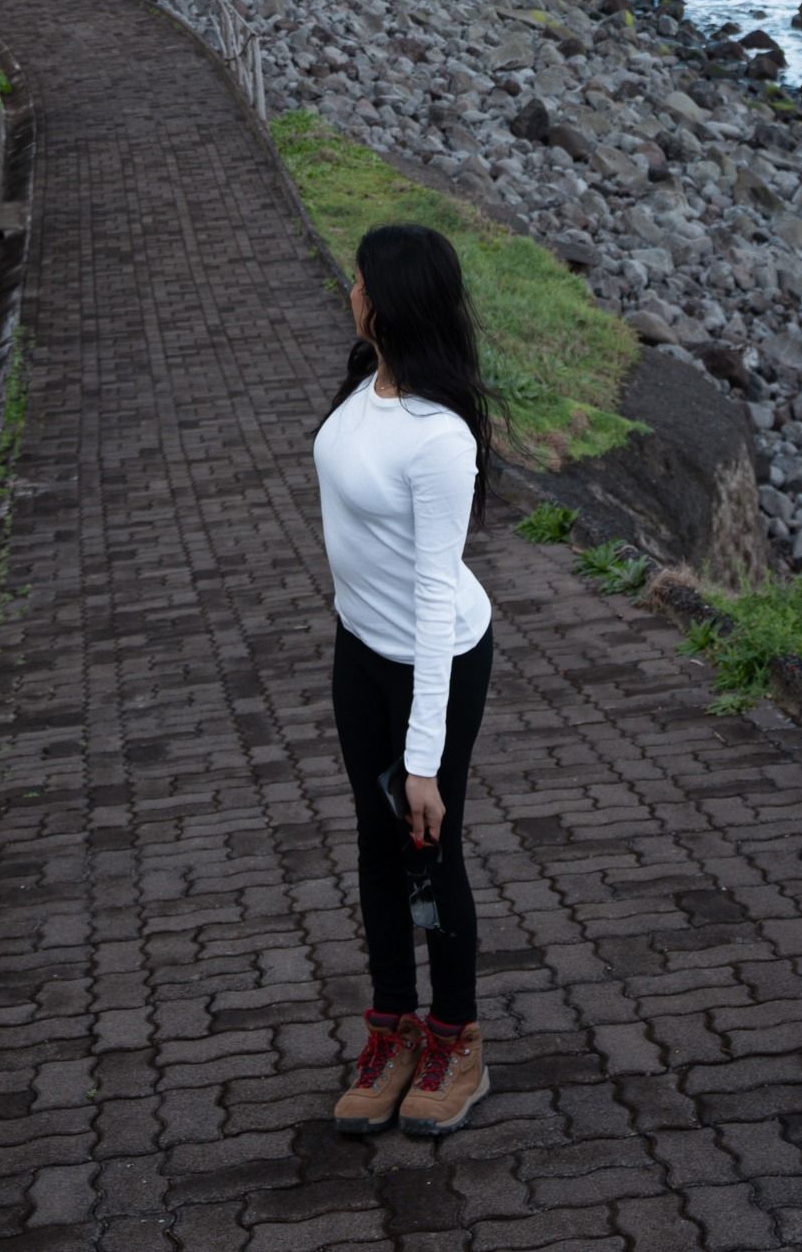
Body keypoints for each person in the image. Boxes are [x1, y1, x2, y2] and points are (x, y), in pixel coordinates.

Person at [313, 219, 496, 1136]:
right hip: (360, 651)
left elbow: (434, 600)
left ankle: (456, 1038)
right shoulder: (367, 381)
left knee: (430, 843)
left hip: (440, 661)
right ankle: (391, 1029)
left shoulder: (439, 437)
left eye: (357, 279)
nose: (348, 289)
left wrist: (423, 758)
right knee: (376, 847)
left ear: (385, 301)